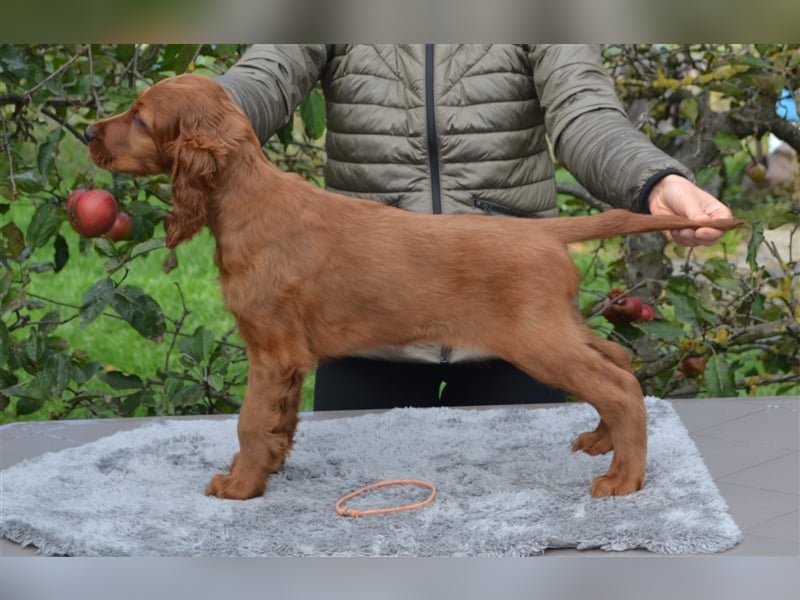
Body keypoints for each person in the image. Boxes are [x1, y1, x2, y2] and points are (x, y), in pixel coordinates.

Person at [215, 44, 734, 410]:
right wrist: (184, 119)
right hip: (362, 322)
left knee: (526, 532)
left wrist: (656, 181)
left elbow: (585, 113)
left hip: (506, 309)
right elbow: (264, 78)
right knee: (358, 539)